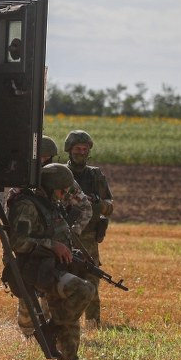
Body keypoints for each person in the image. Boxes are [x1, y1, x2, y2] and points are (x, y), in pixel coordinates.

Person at [7, 163, 95, 360]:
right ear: (49, 186)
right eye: (62, 190)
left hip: (53, 268)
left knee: (70, 314)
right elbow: (18, 243)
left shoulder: (49, 204)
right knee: (84, 290)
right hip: (37, 270)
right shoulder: (27, 205)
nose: (64, 195)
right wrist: (52, 245)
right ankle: (50, 329)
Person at [11, 135, 92, 336]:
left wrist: (67, 236)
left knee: (52, 293)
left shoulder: (59, 178)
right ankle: (29, 332)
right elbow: (16, 232)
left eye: (46, 157)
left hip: (51, 246)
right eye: (38, 157)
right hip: (28, 243)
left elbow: (85, 207)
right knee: (26, 293)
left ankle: (51, 329)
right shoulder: (19, 182)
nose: (42, 161)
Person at [64, 130, 114, 328]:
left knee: (92, 280)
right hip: (65, 235)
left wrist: (98, 202)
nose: (81, 152)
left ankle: (93, 325)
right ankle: (62, 321)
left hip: (89, 238)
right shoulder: (61, 174)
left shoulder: (95, 175)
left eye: (85, 149)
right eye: (77, 148)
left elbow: (110, 206)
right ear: (69, 150)